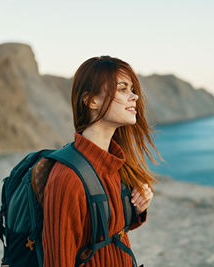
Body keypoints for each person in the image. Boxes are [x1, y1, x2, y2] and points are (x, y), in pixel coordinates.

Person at [42, 56, 163, 266]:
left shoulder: (116, 163)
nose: (134, 96)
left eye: (132, 89)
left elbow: (106, 232)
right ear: (91, 100)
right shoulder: (68, 178)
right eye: (123, 89)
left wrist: (138, 205)